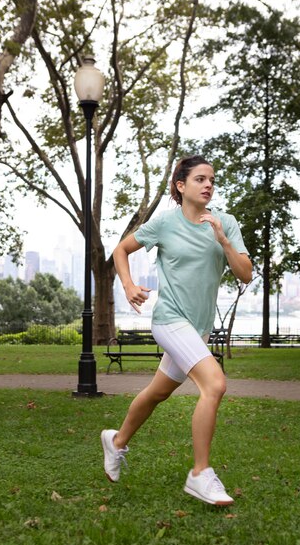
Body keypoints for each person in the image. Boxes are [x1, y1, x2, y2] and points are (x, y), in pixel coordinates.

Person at [102, 155, 252, 506]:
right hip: (170, 320)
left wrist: (223, 241)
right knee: (214, 384)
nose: (208, 185)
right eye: (200, 179)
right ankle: (200, 474)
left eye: (212, 179)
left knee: (157, 393)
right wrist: (127, 285)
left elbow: (245, 274)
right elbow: (121, 249)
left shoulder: (225, 222)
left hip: (198, 329)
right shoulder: (165, 223)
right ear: (181, 186)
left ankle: (117, 440)